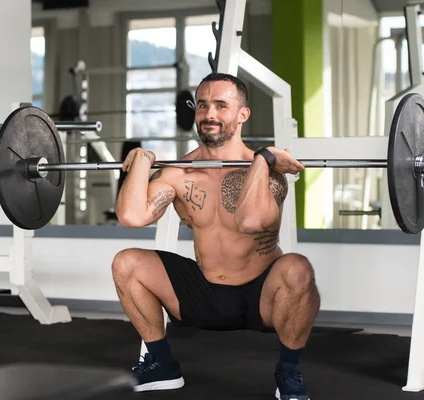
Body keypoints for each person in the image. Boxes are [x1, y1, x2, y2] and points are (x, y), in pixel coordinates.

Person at [112, 72, 321, 400]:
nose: (209, 114)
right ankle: (163, 365)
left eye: (221, 106)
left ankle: (288, 371)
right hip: (203, 293)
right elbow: (131, 216)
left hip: (260, 296)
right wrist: (141, 160)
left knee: (298, 268)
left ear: (242, 115)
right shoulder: (179, 172)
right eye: (203, 105)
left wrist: (263, 159)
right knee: (126, 263)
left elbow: (251, 221)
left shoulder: (269, 170)